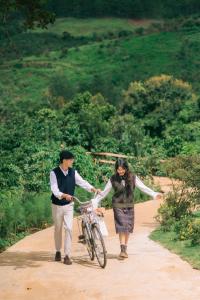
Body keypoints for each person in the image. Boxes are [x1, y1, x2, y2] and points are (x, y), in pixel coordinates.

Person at [92, 158, 162, 259]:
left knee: (128, 227)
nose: (120, 171)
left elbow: (143, 187)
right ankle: (122, 250)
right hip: (118, 205)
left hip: (129, 205)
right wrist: (96, 200)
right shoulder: (113, 178)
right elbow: (105, 191)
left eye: (122, 169)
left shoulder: (132, 177)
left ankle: (124, 248)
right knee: (122, 225)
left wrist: (154, 194)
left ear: (126, 168)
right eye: (118, 169)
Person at [50, 150, 101, 265]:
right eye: (70, 159)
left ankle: (67, 255)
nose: (72, 161)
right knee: (57, 229)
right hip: (57, 205)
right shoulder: (54, 173)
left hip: (69, 205)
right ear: (64, 160)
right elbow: (54, 189)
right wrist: (63, 195)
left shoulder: (73, 172)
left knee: (68, 228)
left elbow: (82, 182)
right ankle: (58, 250)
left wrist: (93, 189)